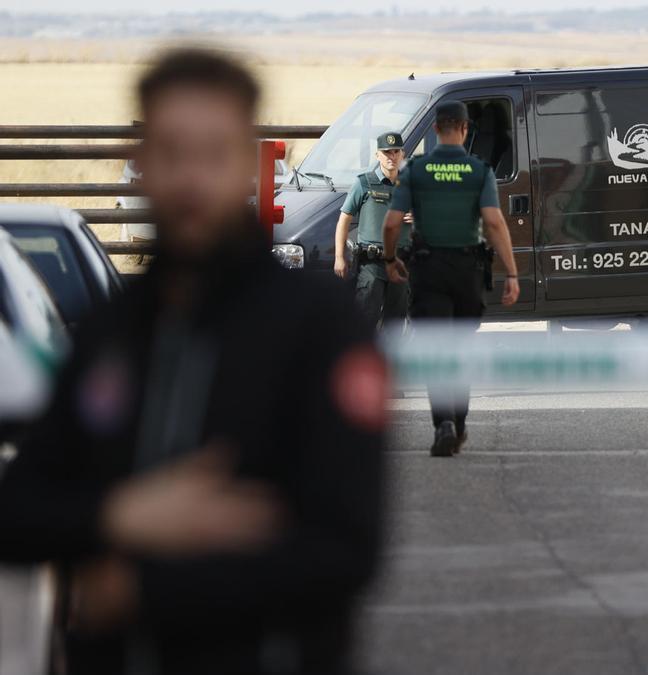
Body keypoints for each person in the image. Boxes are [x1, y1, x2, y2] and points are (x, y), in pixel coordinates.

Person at [0, 49, 384, 674]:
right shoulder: (112, 329)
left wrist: (144, 592)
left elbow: (343, 549)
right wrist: (118, 514)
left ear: (253, 168)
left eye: (214, 154)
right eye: (172, 152)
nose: (191, 180)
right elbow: (17, 511)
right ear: (141, 166)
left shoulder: (319, 325)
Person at [383, 100, 520, 457]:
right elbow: (494, 222)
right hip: (467, 272)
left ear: (434, 129)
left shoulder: (415, 170)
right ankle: (458, 424)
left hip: (428, 272)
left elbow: (392, 223)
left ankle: (442, 422)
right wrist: (512, 273)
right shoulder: (479, 171)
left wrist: (389, 258)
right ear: (464, 129)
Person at [334, 131, 412, 327]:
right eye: (387, 152)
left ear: (402, 154)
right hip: (371, 266)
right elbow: (344, 219)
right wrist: (339, 257)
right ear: (378, 155)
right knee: (364, 323)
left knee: (394, 326)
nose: (391, 157)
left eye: (396, 152)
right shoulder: (364, 183)